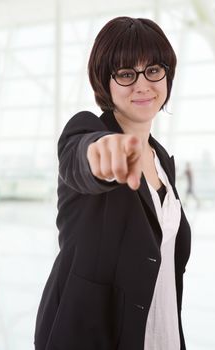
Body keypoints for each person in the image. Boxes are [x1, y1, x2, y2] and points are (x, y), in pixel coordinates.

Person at [34, 16, 191, 350]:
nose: (142, 84)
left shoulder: (162, 161)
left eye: (153, 70)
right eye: (125, 73)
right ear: (104, 82)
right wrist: (100, 154)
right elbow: (79, 157)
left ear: (168, 74)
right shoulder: (89, 132)